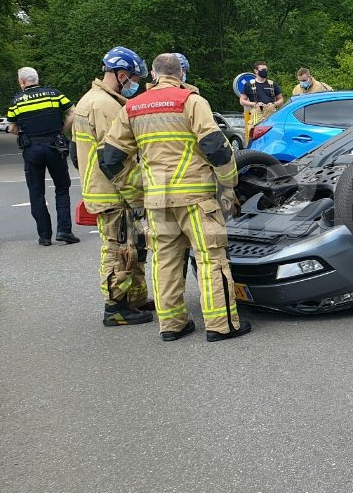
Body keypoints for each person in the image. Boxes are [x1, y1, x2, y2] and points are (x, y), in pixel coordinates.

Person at [99, 53, 250, 343]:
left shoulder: (132, 107)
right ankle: (221, 325)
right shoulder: (191, 101)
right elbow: (216, 147)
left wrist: (137, 190)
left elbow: (110, 158)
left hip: (157, 200)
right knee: (211, 258)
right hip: (196, 198)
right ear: (180, 74)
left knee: (165, 261)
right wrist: (229, 182)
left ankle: (172, 325)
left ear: (154, 74)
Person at [73, 47, 154, 327]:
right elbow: (114, 158)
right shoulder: (105, 106)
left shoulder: (89, 100)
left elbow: (78, 154)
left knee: (132, 245)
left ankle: (135, 299)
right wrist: (137, 194)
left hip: (100, 187)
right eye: (132, 77)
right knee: (119, 249)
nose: (133, 83)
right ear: (121, 75)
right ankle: (116, 307)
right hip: (113, 192)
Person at [7, 67, 79, 246]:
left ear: (22, 82)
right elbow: (73, 112)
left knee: (36, 191)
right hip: (55, 146)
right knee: (62, 188)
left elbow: (12, 128)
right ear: (36, 79)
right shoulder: (53, 94)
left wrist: (23, 134)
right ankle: (64, 230)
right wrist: (63, 130)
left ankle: (44, 236)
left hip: (31, 149)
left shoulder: (17, 101)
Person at [239, 60, 282, 138]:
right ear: (256, 71)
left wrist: (274, 104)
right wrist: (254, 104)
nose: (265, 72)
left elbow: (281, 99)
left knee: (272, 137)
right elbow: (242, 101)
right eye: (262, 70)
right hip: (256, 118)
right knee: (255, 139)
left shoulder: (272, 84)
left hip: (271, 117)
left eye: (266, 70)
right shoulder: (249, 84)